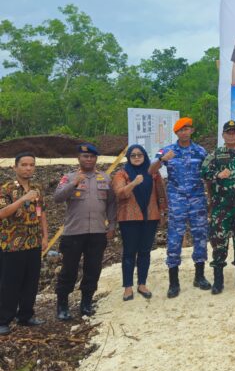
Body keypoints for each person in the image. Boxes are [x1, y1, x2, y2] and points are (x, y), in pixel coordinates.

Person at [149, 117, 211, 298]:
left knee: (200, 236)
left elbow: (207, 177)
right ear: (176, 133)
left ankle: (199, 276)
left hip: (197, 199)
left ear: (192, 131)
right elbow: (151, 170)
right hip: (177, 201)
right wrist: (161, 159)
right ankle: (173, 282)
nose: (184, 132)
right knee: (175, 238)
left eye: (187, 129)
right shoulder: (167, 150)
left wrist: (210, 199)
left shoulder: (200, 151)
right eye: (180, 130)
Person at [54, 143, 117, 320]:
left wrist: (111, 226)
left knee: (93, 269)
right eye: (85, 156)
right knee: (69, 270)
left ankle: (86, 303)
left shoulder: (105, 178)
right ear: (79, 158)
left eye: (92, 157)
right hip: (74, 232)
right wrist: (74, 183)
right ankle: (62, 305)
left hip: (97, 232)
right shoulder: (69, 177)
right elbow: (57, 198)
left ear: (96, 159)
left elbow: (112, 203)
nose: (88, 159)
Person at [201, 120, 235, 295]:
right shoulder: (215, 155)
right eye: (228, 132)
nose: (231, 135)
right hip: (221, 208)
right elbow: (202, 172)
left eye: (234, 132)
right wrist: (217, 174)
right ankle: (218, 280)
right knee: (219, 243)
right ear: (223, 135)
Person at [0, 152, 48, 335]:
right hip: (12, 244)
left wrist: (45, 237)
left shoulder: (37, 188)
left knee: (31, 282)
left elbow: (41, 212)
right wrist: (22, 199)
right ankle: (4, 319)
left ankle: (26, 316)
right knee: (10, 283)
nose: (28, 168)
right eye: (24, 164)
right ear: (15, 167)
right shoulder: (6, 189)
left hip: (33, 242)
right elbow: (2, 213)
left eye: (31, 165)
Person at [112, 144, 167, 302]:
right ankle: (128, 287)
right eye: (133, 155)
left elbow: (161, 194)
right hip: (129, 218)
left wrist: (163, 212)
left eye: (140, 155)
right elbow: (120, 194)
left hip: (150, 218)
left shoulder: (153, 173)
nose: (136, 157)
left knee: (145, 252)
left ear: (144, 156)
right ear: (128, 158)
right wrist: (134, 183)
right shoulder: (121, 174)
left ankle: (142, 284)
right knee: (129, 253)